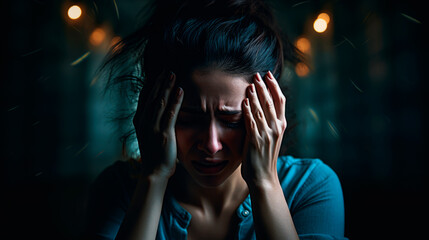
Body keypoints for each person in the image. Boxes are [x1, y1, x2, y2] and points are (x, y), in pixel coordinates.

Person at [83, 0, 347, 239]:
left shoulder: (311, 187)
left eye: (231, 121)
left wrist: (264, 183)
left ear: (269, 113)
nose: (211, 145)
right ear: (155, 111)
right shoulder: (118, 189)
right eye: (188, 119)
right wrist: (153, 177)